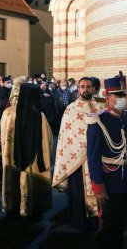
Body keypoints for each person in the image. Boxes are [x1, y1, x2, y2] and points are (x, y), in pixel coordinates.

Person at [86, 72, 127, 249]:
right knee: (109, 224)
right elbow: (93, 157)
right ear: (108, 97)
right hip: (110, 181)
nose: (122, 98)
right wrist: (98, 186)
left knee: (123, 220)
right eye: (118, 95)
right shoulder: (98, 122)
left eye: (124, 95)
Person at [53, 77, 104, 232]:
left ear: (93, 89)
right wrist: (86, 148)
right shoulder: (71, 109)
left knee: (98, 191)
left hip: (98, 159)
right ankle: (79, 221)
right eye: (82, 87)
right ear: (78, 89)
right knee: (78, 193)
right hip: (77, 160)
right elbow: (66, 135)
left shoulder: (100, 107)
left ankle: (97, 221)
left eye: (88, 86)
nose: (85, 89)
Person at [0, 83, 53, 220]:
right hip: (34, 158)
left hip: (11, 156)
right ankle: (29, 208)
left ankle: (12, 205)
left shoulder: (7, 113)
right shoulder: (39, 115)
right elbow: (48, 139)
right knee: (30, 182)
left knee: (13, 179)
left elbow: (3, 134)